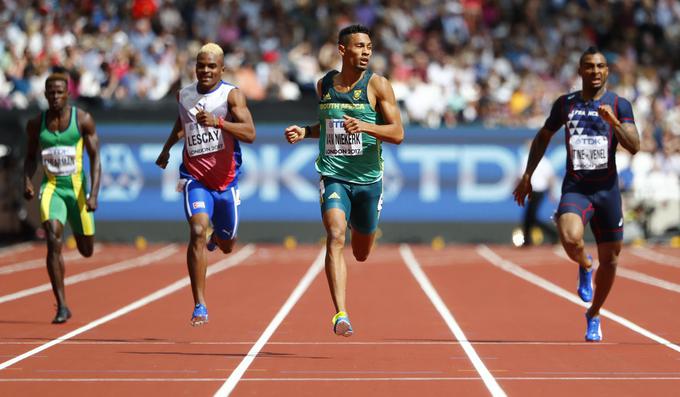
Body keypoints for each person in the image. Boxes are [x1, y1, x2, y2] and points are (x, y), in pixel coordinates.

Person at [284, 24, 404, 337]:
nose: (365, 52)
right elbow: (328, 126)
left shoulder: (378, 86)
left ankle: (359, 222)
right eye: (359, 46)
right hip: (333, 174)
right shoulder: (324, 85)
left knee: (361, 251)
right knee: (336, 234)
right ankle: (341, 314)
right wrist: (306, 132)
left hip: (368, 181)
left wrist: (365, 126)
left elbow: (398, 133)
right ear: (342, 50)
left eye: (369, 47)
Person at [513, 47, 640, 342]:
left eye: (600, 66)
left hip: (607, 191)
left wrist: (615, 123)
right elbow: (544, 135)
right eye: (589, 66)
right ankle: (584, 264)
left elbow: (634, 145)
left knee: (611, 261)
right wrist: (528, 175)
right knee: (570, 238)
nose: (595, 71)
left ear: (607, 71)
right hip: (577, 188)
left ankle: (594, 313)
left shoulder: (619, 105)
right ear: (580, 71)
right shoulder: (565, 104)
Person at [155, 43, 256, 326]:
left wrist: (219, 122)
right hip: (194, 178)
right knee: (197, 230)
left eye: (212, 66)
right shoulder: (184, 94)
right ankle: (199, 304)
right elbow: (182, 122)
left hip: (225, 183)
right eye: (201, 65)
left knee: (227, 245)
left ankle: (218, 238)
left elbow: (250, 133)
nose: (206, 71)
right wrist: (166, 149)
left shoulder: (231, 95)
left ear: (222, 69)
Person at [23, 72, 101, 324]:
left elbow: (95, 157)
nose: (55, 97)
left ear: (68, 94)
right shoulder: (36, 123)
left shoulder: (83, 120)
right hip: (52, 188)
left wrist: (94, 194)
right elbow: (30, 156)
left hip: (77, 191)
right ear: (45, 95)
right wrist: (27, 180)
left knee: (86, 249)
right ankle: (62, 305)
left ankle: (81, 235)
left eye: (60, 92)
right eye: (51, 93)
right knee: (53, 238)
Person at [518, 142, 558, 247]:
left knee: (530, 217)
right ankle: (528, 239)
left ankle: (552, 234)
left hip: (535, 191)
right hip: (540, 191)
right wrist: (551, 192)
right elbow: (551, 177)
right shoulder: (544, 160)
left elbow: (522, 176)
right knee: (529, 216)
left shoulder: (527, 159)